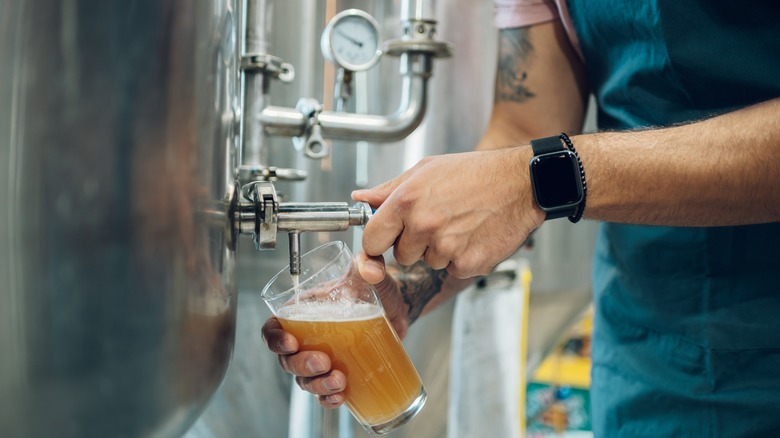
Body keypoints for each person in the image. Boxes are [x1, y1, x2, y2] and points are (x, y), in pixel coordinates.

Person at [263, 0, 780, 435]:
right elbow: (528, 122)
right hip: (650, 355)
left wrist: (535, 180)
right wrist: (405, 282)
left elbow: (527, 171)